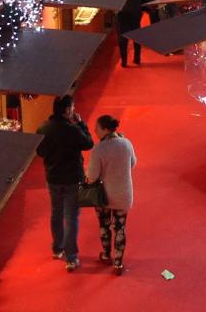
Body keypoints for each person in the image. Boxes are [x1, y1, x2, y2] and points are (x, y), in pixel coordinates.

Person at [35, 95, 94, 271]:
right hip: (71, 178)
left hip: (53, 177)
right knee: (71, 217)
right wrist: (81, 124)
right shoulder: (72, 130)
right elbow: (88, 143)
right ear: (67, 110)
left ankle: (57, 248)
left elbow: (39, 151)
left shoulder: (43, 128)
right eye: (72, 108)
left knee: (56, 213)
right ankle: (71, 257)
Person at [86, 113, 137, 275]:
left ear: (105, 129)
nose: (94, 130)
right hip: (123, 193)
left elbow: (92, 176)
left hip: (104, 195)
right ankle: (118, 263)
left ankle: (107, 255)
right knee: (120, 228)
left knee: (104, 225)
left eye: (97, 128)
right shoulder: (126, 143)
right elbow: (133, 163)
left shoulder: (99, 149)